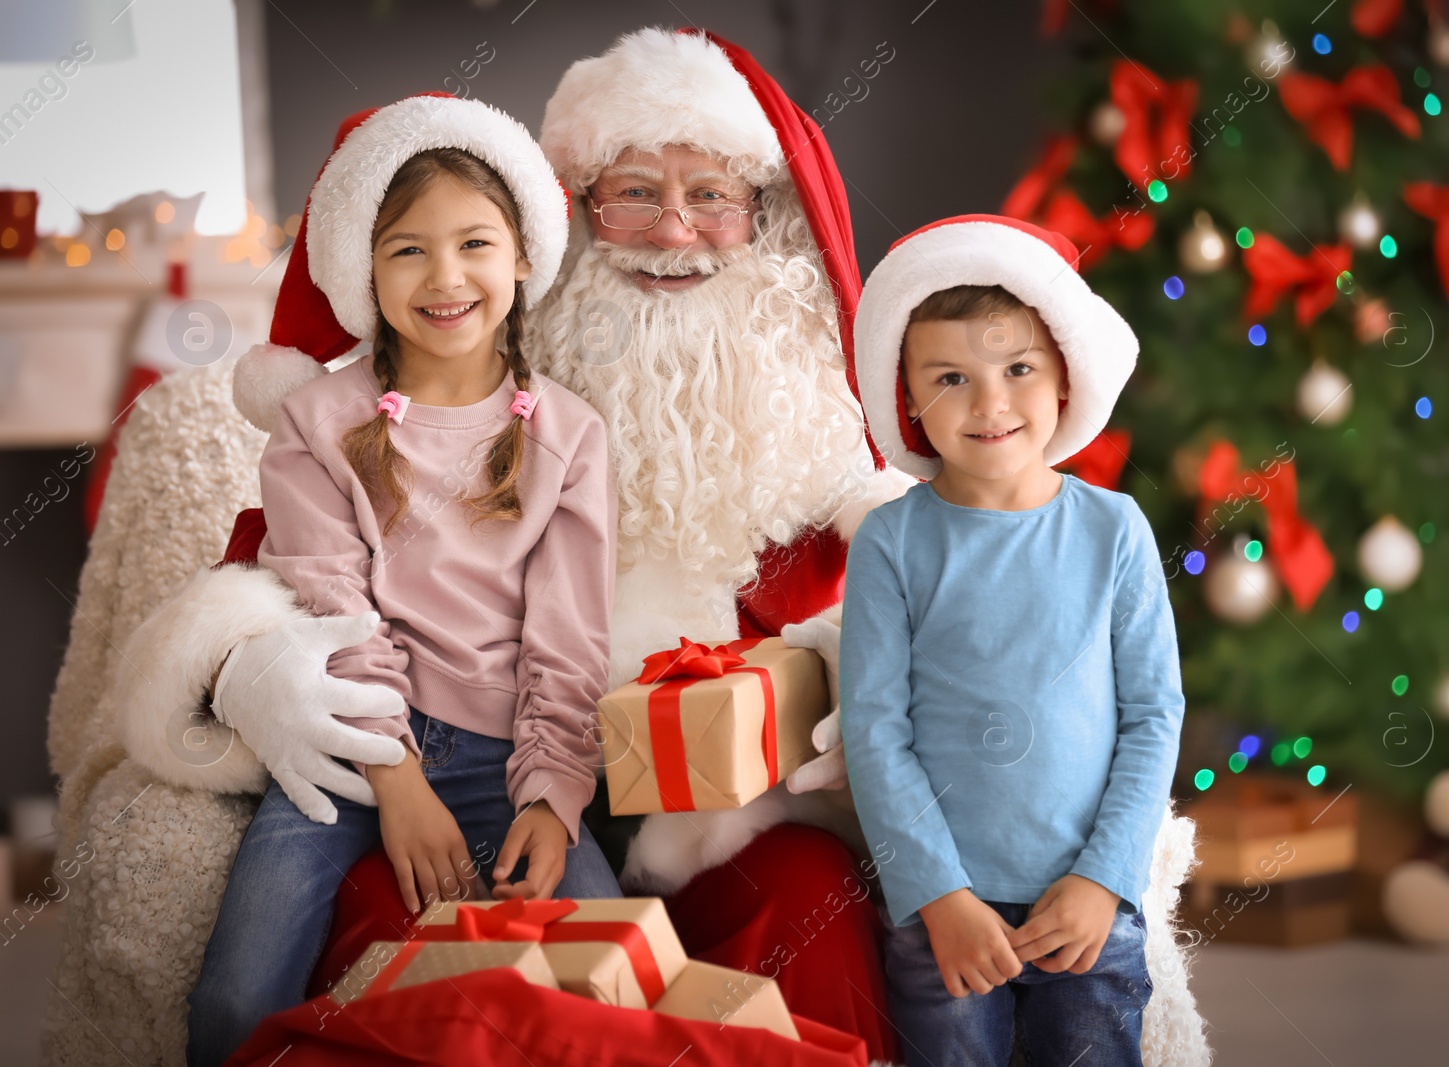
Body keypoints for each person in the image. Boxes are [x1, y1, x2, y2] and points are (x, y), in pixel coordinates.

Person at [91, 28, 913, 1064]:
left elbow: (574, 635)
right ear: (573, 216)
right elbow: (309, 587)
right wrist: (334, 727)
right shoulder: (339, 424)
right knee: (261, 977)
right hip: (392, 750)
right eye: (632, 193)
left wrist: (555, 796)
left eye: (711, 194)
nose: (673, 230)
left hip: (582, 774)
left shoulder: (656, 424)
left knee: (687, 945)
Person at [181, 94, 622, 1067]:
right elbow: (332, 609)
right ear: (363, 270)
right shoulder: (316, 423)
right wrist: (398, 776)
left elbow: (569, 637)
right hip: (347, 742)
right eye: (407, 249)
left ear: (520, 258)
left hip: (507, 749)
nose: (446, 276)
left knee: (615, 967)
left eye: (474, 242)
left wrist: (550, 796)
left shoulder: (569, 434)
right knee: (235, 996)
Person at [840, 215, 1185, 1067]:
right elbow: (875, 731)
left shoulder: (1115, 529)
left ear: (1062, 376)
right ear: (909, 398)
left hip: (1086, 912)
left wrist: (1105, 880)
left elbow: (1153, 713)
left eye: (1018, 368)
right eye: (951, 376)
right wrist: (940, 897)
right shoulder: (891, 542)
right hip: (945, 917)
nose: (990, 404)